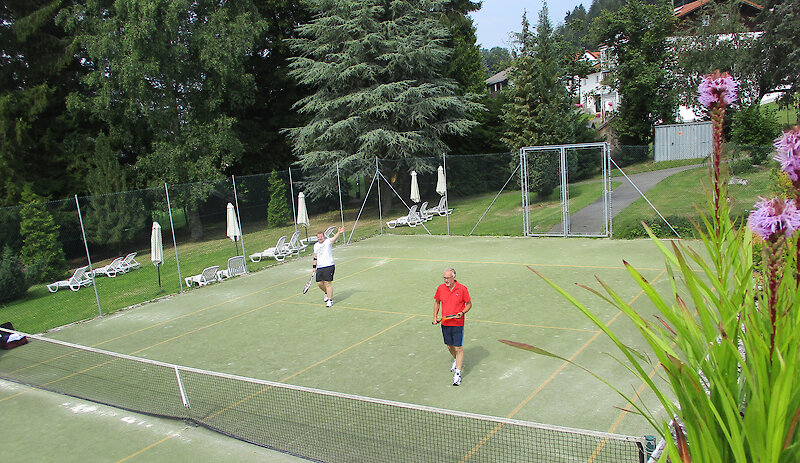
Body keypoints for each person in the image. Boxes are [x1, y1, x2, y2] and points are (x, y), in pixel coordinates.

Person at [433, 267, 471, 386]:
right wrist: (435, 316)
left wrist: (462, 312)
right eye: (444, 278)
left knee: (458, 348)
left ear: (454, 277)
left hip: (458, 324)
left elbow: (469, 304)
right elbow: (437, 302)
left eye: (448, 278)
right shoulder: (440, 288)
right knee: (450, 347)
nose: (446, 280)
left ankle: (458, 374)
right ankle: (456, 360)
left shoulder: (462, 289)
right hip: (445, 323)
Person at [313, 226, 345, 307]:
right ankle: (327, 293)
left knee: (327, 283)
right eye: (318, 237)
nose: (320, 238)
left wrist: (338, 232)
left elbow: (334, 238)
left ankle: (330, 300)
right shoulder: (316, 245)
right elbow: (315, 257)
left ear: (324, 236)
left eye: (321, 237)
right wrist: (314, 267)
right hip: (320, 267)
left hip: (329, 265)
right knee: (319, 283)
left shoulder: (328, 242)